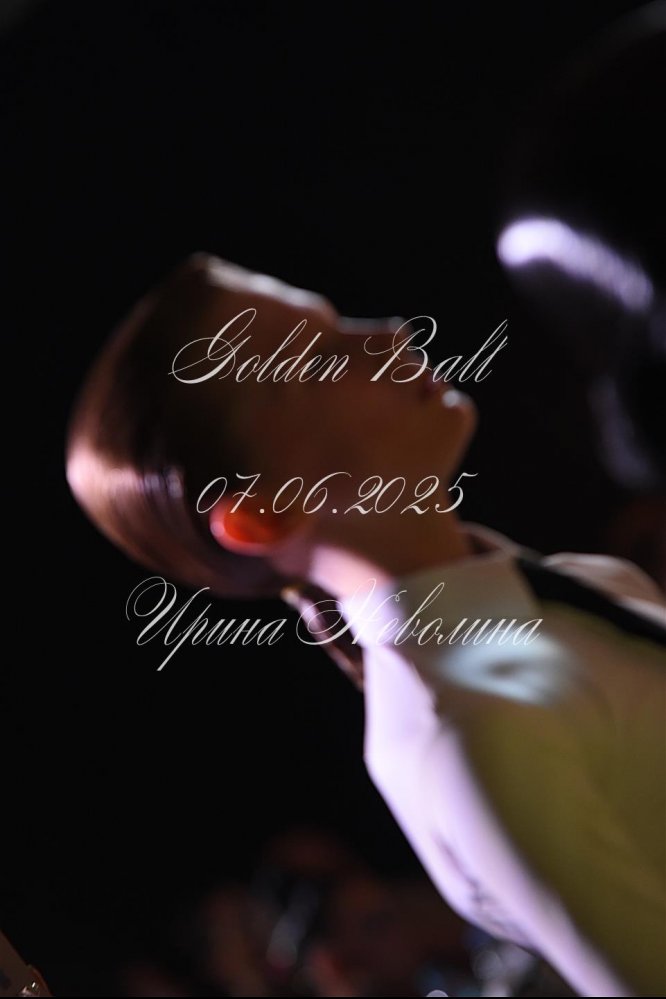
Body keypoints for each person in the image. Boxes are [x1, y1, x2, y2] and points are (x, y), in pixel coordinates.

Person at [66, 255, 666, 997]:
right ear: (263, 515)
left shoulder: (546, 595)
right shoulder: (469, 731)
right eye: (316, 361)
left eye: (338, 323)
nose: (387, 336)